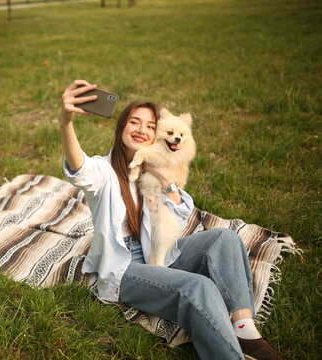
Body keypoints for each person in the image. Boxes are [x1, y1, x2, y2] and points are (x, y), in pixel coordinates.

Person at [60, 79, 282, 360]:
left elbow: (181, 213)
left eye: (151, 126)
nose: (142, 130)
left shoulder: (155, 169)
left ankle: (244, 328)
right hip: (125, 267)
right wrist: (66, 121)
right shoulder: (103, 170)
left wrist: (165, 179)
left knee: (225, 238)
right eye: (134, 122)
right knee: (199, 286)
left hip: (159, 253)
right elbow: (78, 165)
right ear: (121, 128)